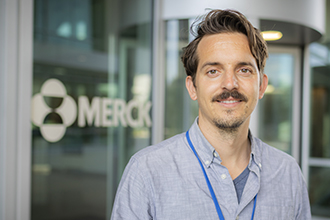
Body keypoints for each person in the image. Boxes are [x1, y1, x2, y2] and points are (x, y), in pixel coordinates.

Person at [111, 9, 311, 220]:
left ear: (261, 86)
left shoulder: (288, 173)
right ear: (192, 87)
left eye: (244, 70)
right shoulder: (147, 171)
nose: (229, 84)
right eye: (213, 71)